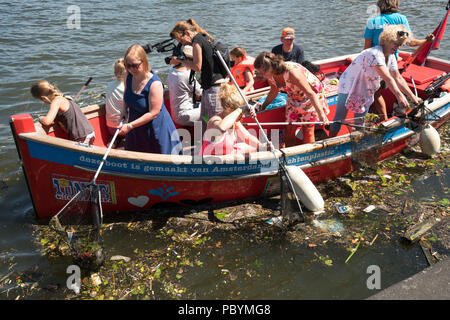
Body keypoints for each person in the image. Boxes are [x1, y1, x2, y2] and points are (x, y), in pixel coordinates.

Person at [329, 25, 421, 137]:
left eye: (401, 45)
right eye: (396, 44)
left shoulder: (391, 56)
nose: (398, 47)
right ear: (386, 40)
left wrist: (412, 96)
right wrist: (399, 96)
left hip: (366, 88)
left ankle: (357, 140)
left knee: (360, 119)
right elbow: (388, 78)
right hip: (349, 85)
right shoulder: (374, 54)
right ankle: (331, 140)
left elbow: (397, 77)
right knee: (340, 117)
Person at [364, 0, 435, 120]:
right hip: (392, 61)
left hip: (375, 62)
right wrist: (425, 41)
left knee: (377, 94)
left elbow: (366, 48)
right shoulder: (401, 19)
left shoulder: (372, 21)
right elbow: (410, 42)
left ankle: (384, 120)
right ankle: (400, 111)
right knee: (394, 81)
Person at [254, 52, 330, 147]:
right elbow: (274, 91)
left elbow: (311, 94)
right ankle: (289, 155)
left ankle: (309, 156)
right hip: (294, 96)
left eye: (262, 72)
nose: (261, 75)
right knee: (289, 129)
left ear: (271, 67)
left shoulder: (292, 72)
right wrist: (263, 106)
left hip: (310, 98)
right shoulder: (271, 75)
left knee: (308, 130)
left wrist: (321, 115)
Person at [119, 44, 182, 155]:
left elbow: (153, 113)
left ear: (144, 62)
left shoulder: (155, 84)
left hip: (155, 129)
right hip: (135, 129)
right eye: (127, 65)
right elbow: (126, 95)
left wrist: (130, 126)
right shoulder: (127, 76)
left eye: (135, 65)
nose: (131, 69)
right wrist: (124, 110)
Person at [169, 18, 228, 127]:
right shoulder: (203, 38)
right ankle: (204, 143)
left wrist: (180, 59)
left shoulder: (197, 41)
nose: (183, 44)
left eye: (181, 41)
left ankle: (213, 143)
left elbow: (197, 66)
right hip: (210, 88)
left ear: (187, 33)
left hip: (213, 89)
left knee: (213, 125)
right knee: (205, 122)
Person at [201, 83, 265, 156]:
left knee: (250, 148)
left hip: (226, 159)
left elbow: (247, 137)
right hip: (210, 163)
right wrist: (239, 110)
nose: (243, 116)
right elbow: (222, 128)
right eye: (241, 113)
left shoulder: (235, 122)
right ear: (227, 108)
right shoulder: (214, 121)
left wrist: (262, 146)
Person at [31, 80, 95, 145]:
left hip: (81, 136)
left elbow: (47, 121)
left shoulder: (56, 101)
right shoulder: (65, 98)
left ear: (43, 98)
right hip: (89, 132)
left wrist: (41, 118)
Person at [167, 45, 202, 127]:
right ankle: (205, 137)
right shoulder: (187, 74)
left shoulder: (172, 71)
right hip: (185, 115)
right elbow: (201, 92)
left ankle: (198, 136)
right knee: (211, 110)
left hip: (176, 114)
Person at [105, 58, 126, 140]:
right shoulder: (126, 88)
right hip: (122, 128)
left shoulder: (109, 85)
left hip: (110, 127)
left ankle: (115, 140)